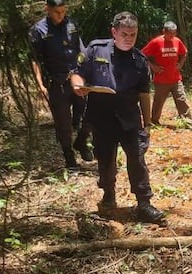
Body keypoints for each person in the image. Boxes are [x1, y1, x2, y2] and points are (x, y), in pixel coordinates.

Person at [70, 11, 164, 223]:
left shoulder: (139, 60)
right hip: (101, 118)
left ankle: (144, 203)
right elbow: (78, 72)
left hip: (129, 118)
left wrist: (147, 124)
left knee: (137, 160)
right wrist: (77, 85)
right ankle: (108, 196)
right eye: (124, 34)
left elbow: (144, 94)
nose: (129, 38)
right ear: (114, 32)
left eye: (133, 34)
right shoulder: (96, 49)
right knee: (105, 160)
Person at [29, 0, 93, 170]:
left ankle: (81, 142)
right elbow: (34, 59)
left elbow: (80, 48)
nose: (61, 15)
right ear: (47, 9)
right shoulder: (38, 31)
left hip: (76, 79)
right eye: (57, 12)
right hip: (56, 83)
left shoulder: (71, 24)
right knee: (63, 124)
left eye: (64, 11)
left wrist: (87, 70)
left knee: (88, 114)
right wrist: (40, 84)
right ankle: (69, 158)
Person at [140, 21, 192, 126]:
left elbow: (184, 52)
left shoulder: (177, 41)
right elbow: (141, 55)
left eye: (174, 33)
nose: (172, 36)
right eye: (170, 33)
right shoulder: (156, 42)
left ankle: (188, 122)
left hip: (175, 78)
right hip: (161, 80)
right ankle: (154, 121)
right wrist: (153, 66)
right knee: (158, 103)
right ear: (164, 31)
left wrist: (181, 64)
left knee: (181, 99)